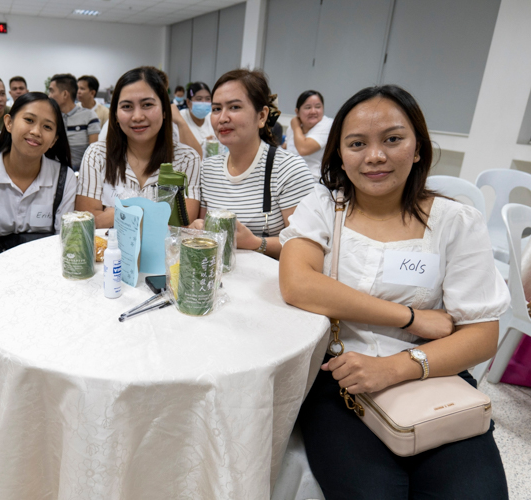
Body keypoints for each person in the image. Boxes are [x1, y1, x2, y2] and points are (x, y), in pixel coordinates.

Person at [278, 85, 510, 499]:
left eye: (392, 139)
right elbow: (297, 283)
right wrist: (412, 317)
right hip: (340, 381)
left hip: (433, 372)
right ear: (340, 156)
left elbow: (482, 334)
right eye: (357, 144)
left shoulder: (456, 221)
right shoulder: (325, 206)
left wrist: (397, 366)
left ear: (417, 148)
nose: (375, 156)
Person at [192, 69, 314, 259]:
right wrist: (198, 229)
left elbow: (307, 245)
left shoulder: (288, 170)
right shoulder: (208, 169)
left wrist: (257, 243)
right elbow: (204, 229)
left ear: (262, 116)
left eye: (234, 107)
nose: (222, 118)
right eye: (216, 109)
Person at [76, 66, 201, 229]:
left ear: (164, 110)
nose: (137, 117)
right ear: (115, 114)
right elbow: (88, 224)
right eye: (127, 107)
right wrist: (156, 216)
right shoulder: (97, 155)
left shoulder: (186, 159)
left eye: (147, 104)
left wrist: (116, 215)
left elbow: (182, 227)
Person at [0, 92, 77, 262]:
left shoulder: (65, 178)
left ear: (53, 140)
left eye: (47, 127)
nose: (36, 131)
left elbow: (64, 244)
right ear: (9, 123)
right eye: (29, 120)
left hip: (47, 268)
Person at [47, 73, 100, 171]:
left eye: (51, 91)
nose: (49, 96)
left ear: (65, 94)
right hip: (55, 169)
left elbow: (94, 151)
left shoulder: (89, 116)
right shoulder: (50, 117)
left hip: (82, 170)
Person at [282, 90, 333, 179]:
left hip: (316, 180)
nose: (313, 111)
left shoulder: (328, 125)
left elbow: (303, 149)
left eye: (318, 107)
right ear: (297, 112)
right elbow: (286, 147)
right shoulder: (293, 127)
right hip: (290, 177)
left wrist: (296, 127)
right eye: (308, 107)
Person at [179, 81, 216, 157]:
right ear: (188, 102)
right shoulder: (180, 118)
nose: (204, 102)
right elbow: (182, 150)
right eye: (199, 99)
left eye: (208, 99)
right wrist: (205, 142)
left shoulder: (212, 117)